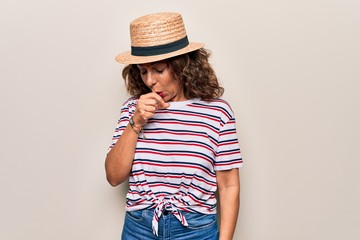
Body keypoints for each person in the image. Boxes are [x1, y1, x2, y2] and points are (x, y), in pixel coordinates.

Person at [105, 12, 243, 240]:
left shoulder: (217, 112)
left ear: (182, 67)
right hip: (140, 228)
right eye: (143, 71)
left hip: (196, 230)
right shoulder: (134, 109)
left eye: (158, 70)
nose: (150, 81)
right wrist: (136, 123)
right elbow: (113, 176)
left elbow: (228, 186)